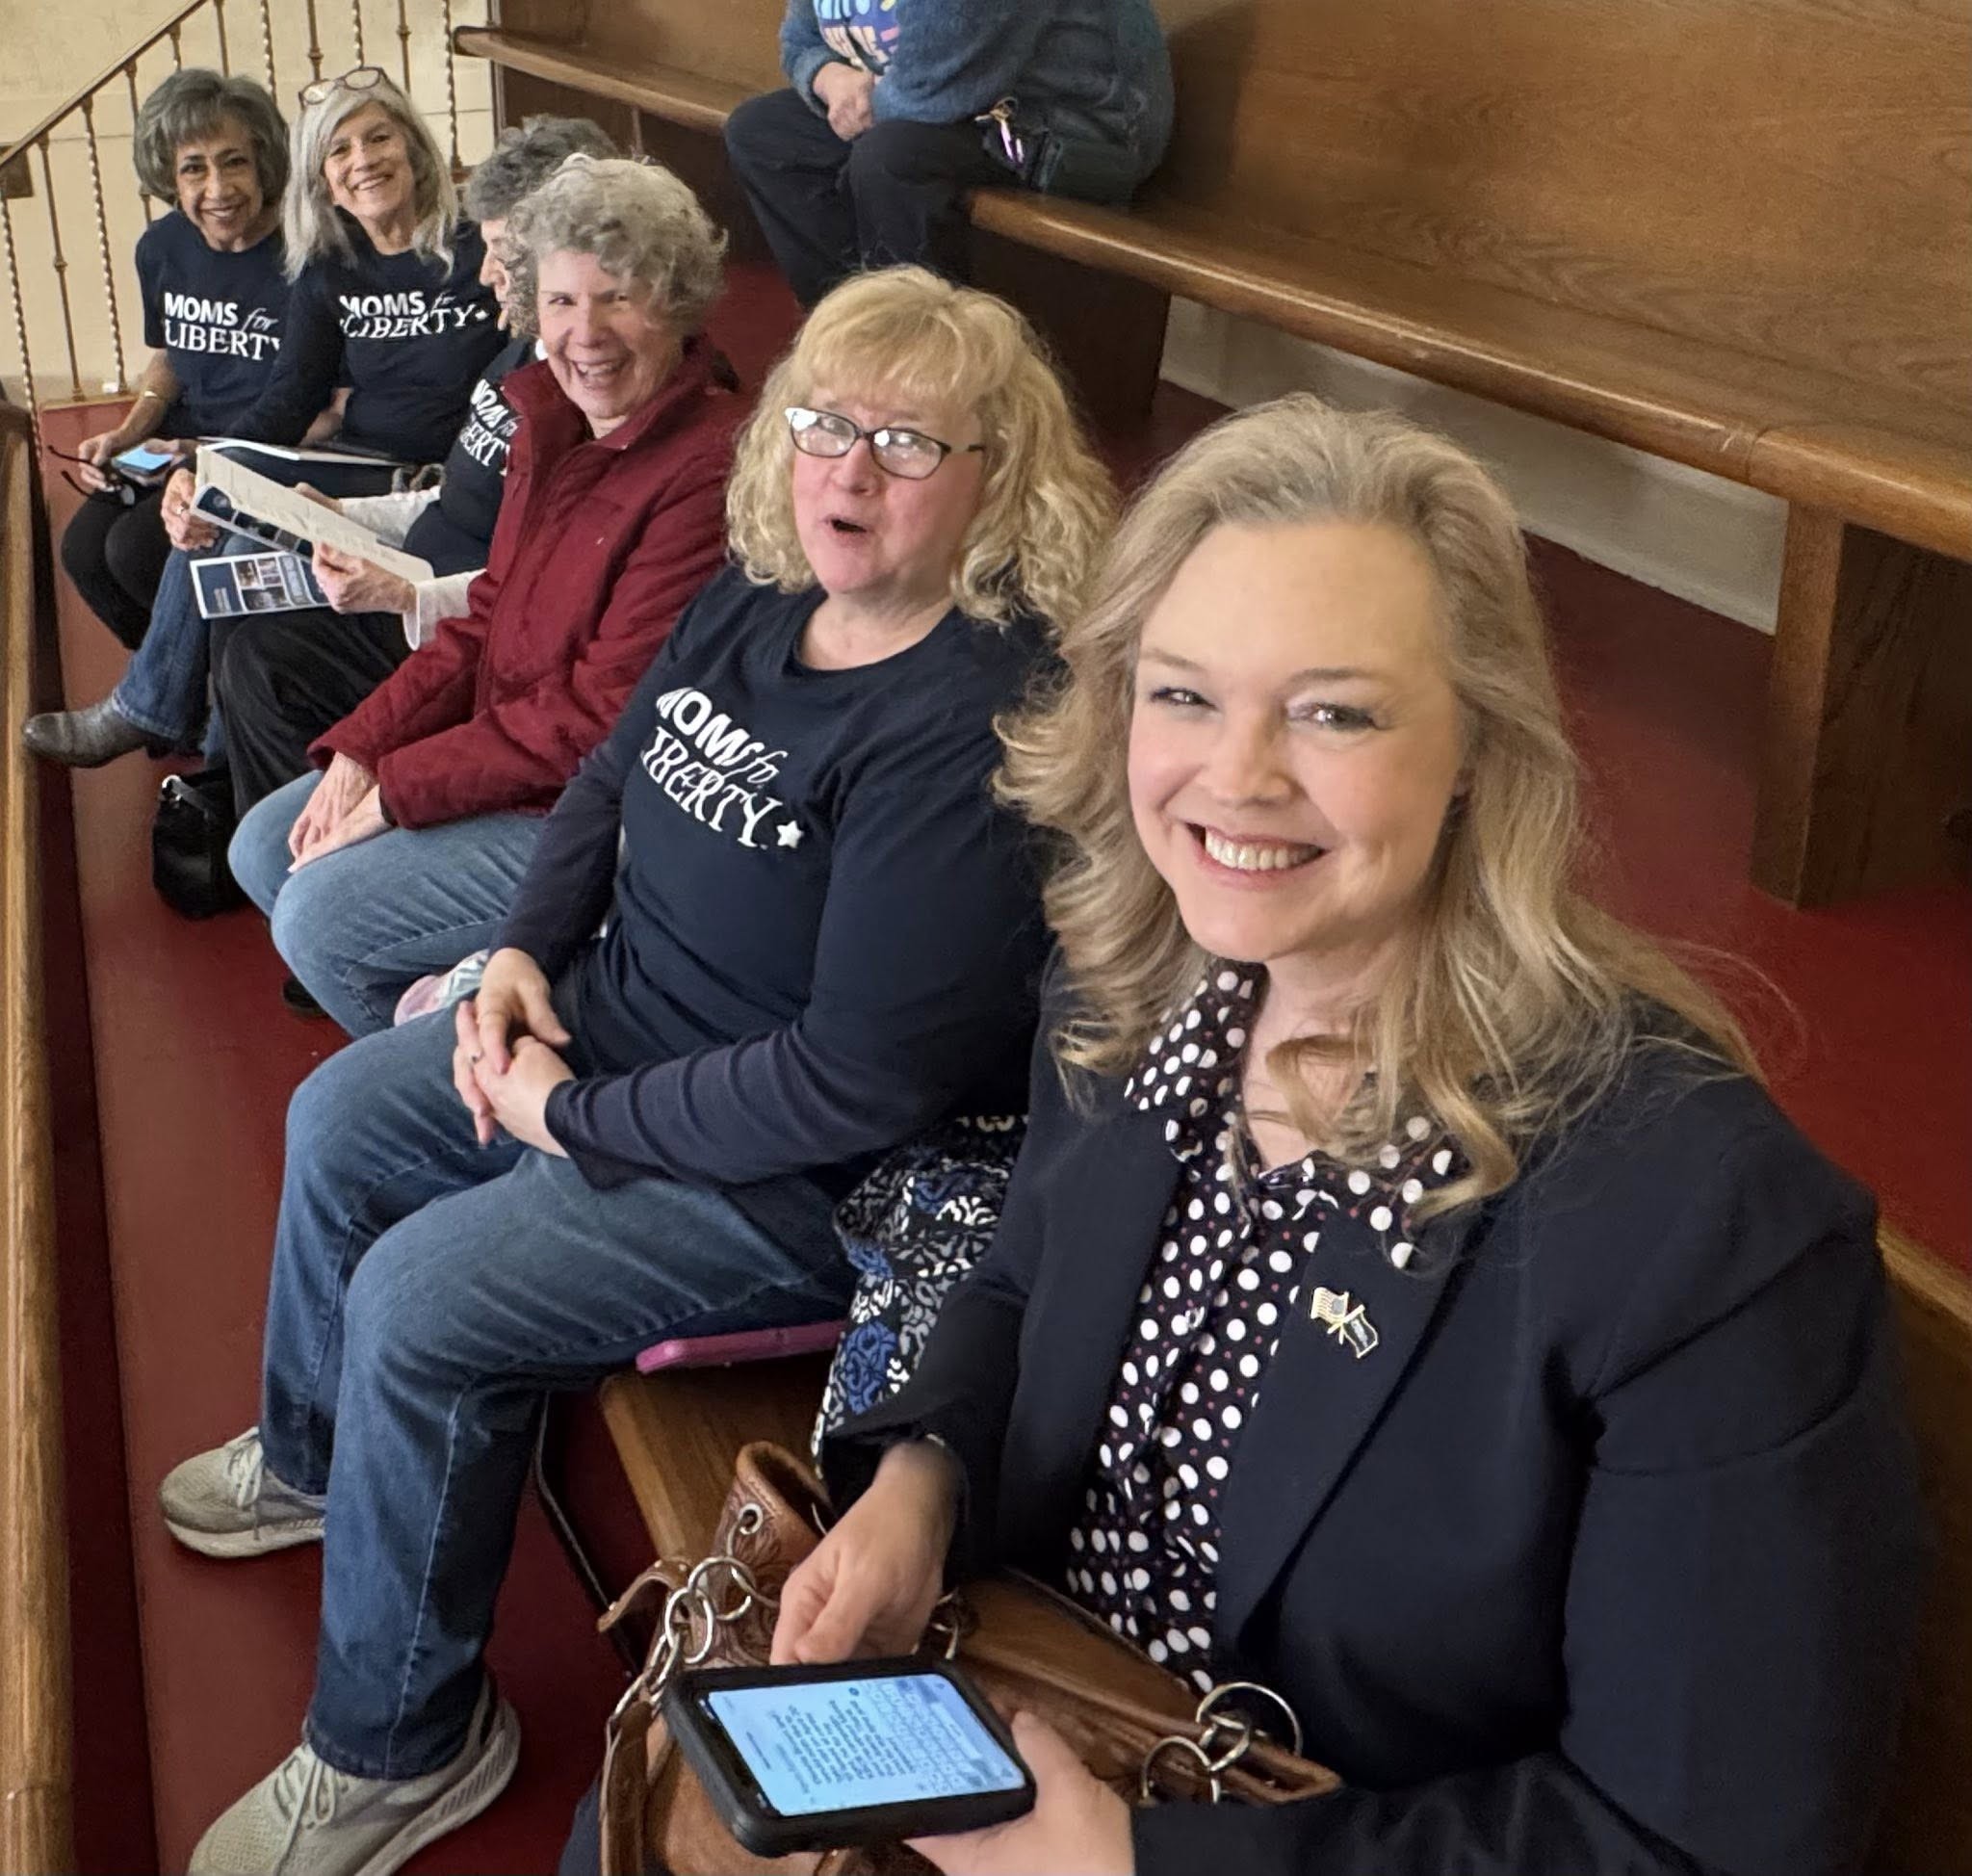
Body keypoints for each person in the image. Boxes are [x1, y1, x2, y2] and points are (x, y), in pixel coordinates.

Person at [759, 396, 1923, 1876]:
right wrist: (926, 1477)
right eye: (1184, 695)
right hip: (1049, 1728)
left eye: (1335, 712)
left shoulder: (1703, 1225)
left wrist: (1135, 1868)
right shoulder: (1131, 994)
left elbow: (1702, 1844)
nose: (1238, 776)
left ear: (1477, 745)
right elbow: (1021, 1285)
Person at [160, 264, 1115, 1876]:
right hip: (609, 1026)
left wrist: (567, 1114)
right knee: (340, 1113)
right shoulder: (765, 590)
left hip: (782, 1176)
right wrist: (520, 956)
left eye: (905, 441)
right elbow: (607, 780)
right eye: (823, 422)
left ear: (998, 477)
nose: (847, 468)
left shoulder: (971, 723)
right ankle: (321, 1460)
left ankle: (401, 1743)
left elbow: (851, 1087)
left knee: (419, 1301)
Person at [221, 153, 741, 1036]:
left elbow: (603, 717)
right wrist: (365, 751)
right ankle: (449, 1020)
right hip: (527, 763)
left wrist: (399, 791)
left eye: (619, 298)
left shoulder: (707, 466)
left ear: (678, 304)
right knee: (265, 847)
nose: (586, 333)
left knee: (316, 917)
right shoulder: (556, 420)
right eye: (562, 301)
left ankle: (460, 1074)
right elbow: (493, 610)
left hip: (609, 816)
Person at [23, 67, 503, 770]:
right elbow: (289, 400)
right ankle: (172, 721)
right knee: (222, 495)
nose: (363, 161)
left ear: (413, 146)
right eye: (339, 150)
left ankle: (188, 741)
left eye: (379, 138)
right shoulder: (331, 266)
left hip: (444, 476)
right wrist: (198, 473)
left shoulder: (476, 251)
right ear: (323, 178)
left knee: (226, 533)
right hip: (361, 459)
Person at [210, 115, 619, 818]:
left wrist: (408, 596)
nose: (485, 274)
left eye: (502, 253)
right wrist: (345, 515)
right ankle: (242, 801)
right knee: (241, 592)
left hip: (451, 618)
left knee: (266, 659)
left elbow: (542, 592)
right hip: (418, 568)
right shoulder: (517, 355)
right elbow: (454, 492)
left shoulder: (580, 391)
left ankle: (297, 838)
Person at [724, 0, 1174, 307]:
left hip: (1073, 133)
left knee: (891, 159)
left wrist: (863, 104)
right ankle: (849, 335)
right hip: (947, 105)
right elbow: (801, 38)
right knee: (762, 131)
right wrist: (828, 76)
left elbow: (935, 88)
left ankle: (919, 368)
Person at [59, 69, 292, 651]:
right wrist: (129, 430)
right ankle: (168, 680)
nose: (218, 189)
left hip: (263, 447)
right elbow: (170, 355)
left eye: (234, 162)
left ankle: (198, 678)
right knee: (82, 552)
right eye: (194, 169)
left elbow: (325, 408)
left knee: (135, 549)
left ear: (263, 163)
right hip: (178, 438)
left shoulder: (304, 255)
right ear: (169, 177)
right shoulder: (161, 248)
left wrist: (198, 450)